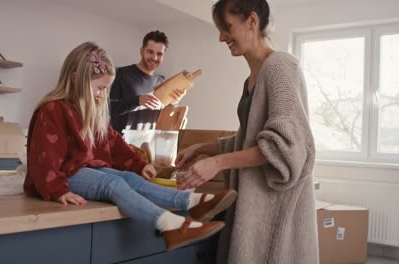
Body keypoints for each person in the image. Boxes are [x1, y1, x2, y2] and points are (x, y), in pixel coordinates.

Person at [24, 41, 237, 251]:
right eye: (99, 88)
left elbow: (112, 140)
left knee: (129, 178)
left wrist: (138, 164)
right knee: (113, 185)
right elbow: (44, 157)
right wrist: (56, 190)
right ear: (75, 79)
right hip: (61, 175)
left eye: (105, 89)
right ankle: (171, 226)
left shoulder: (90, 111)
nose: (101, 94)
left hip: (84, 171)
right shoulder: (52, 109)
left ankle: (193, 201)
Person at [175, 0, 319, 263]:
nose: (221, 37)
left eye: (226, 27)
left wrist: (216, 163)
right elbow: (248, 141)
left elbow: (284, 146)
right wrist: (201, 149)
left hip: (275, 207)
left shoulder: (280, 66)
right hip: (256, 203)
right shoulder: (252, 78)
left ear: (252, 20)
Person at [109, 30, 186, 133]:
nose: (154, 58)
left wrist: (173, 103)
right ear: (141, 51)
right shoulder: (120, 74)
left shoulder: (162, 82)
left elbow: (162, 119)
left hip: (147, 146)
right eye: (150, 52)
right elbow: (107, 109)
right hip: (120, 144)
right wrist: (136, 100)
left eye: (159, 54)